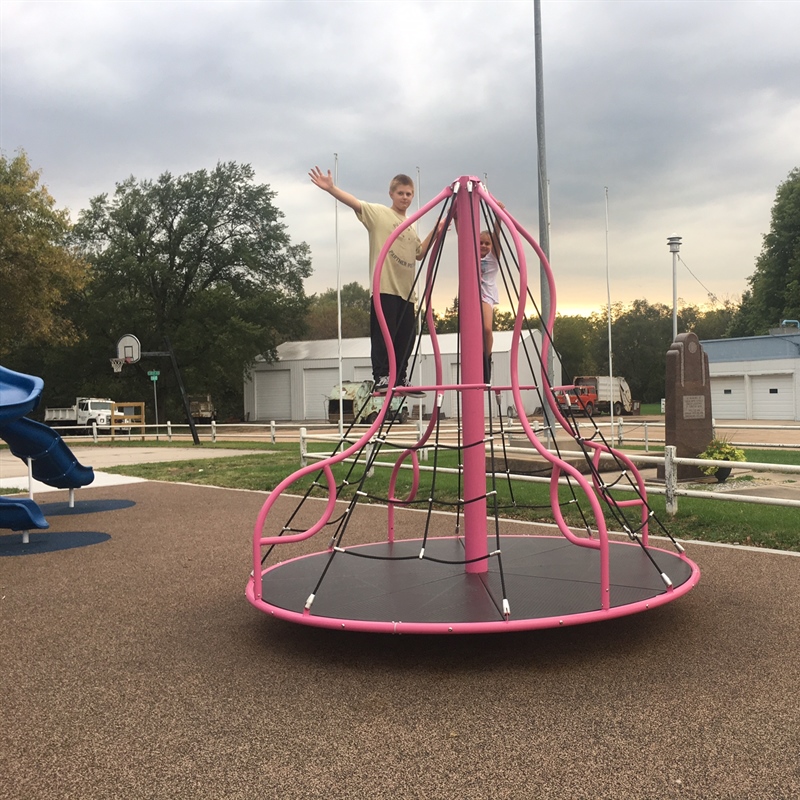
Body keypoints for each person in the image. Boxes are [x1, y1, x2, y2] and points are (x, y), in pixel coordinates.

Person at [309, 166, 438, 395]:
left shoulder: (410, 226)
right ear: (391, 194)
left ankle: (400, 377)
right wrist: (331, 189)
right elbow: (355, 203)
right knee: (383, 335)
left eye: (409, 194)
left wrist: (437, 230)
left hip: (407, 293)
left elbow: (419, 253)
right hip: (385, 288)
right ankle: (382, 376)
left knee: (405, 339)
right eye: (401, 193)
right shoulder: (379, 214)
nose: (405, 198)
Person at [479, 202, 504, 382]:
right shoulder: (470, 253)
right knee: (473, 333)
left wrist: (498, 217)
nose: (484, 246)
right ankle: (477, 359)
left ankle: (486, 359)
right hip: (471, 296)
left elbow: (496, 237)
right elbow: (463, 236)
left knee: (487, 329)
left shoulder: (493, 257)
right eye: (480, 242)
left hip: (486, 295)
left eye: (487, 243)